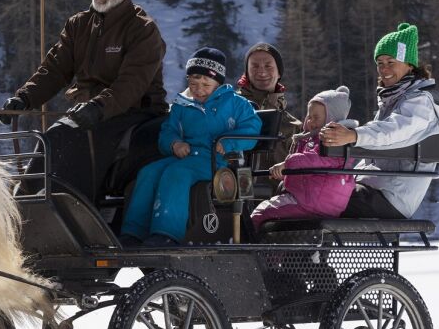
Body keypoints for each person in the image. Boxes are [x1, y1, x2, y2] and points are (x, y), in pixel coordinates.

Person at [1, 0, 167, 200]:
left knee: (66, 135)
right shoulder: (78, 25)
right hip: (88, 111)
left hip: (134, 113)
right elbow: (55, 69)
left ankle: (72, 205)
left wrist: (98, 107)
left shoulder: (143, 30)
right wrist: (24, 98)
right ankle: (26, 199)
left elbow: (131, 85)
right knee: (51, 138)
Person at [118, 48, 262, 246]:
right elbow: (168, 132)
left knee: (177, 173)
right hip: (185, 157)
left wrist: (228, 142)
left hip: (216, 161)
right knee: (148, 172)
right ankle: (133, 232)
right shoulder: (182, 105)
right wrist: (174, 144)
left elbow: (252, 129)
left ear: (218, 83)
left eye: (206, 84)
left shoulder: (236, 104)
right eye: (194, 83)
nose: (199, 89)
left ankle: (167, 233)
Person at [320, 23, 439, 219]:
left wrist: (354, 136)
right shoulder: (394, 99)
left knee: (318, 196)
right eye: (380, 63)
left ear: (409, 65)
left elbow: (395, 131)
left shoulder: (421, 101)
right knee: (310, 189)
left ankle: (299, 248)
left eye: (391, 62)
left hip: (392, 196)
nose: (384, 69)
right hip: (376, 188)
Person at [251, 86, 358, 226]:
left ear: (331, 118)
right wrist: (286, 174)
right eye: (309, 117)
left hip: (312, 201)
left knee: (259, 213)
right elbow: (313, 171)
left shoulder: (332, 140)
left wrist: (286, 165)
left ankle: (250, 245)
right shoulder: (313, 140)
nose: (310, 122)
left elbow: (312, 160)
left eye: (316, 117)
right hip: (320, 199)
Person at [234, 42, 302, 165]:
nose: (262, 72)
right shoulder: (229, 107)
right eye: (254, 66)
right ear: (247, 73)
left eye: (268, 66)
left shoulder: (293, 126)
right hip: (232, 182)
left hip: (279, 184)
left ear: (279, 72)